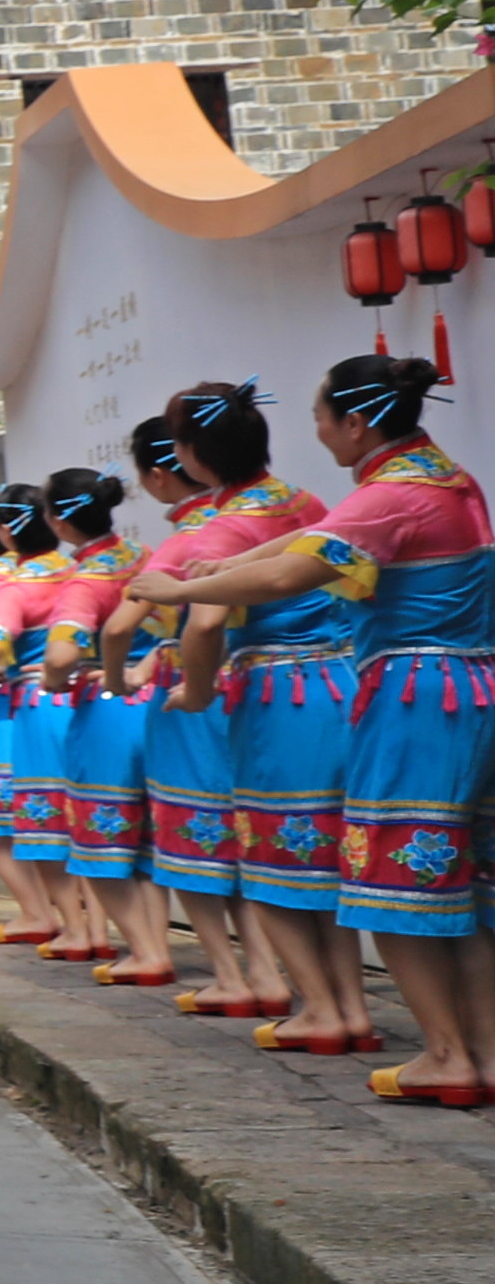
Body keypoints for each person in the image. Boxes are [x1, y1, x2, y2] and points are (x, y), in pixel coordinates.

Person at [149, 357, 495, 1092]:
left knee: (398, 877)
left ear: (356, 422)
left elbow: (280, 576)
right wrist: (202, 581)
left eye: (322, 417)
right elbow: (289, 549)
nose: (318, 431)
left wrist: (181, 588)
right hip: (467, 685)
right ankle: (481, 1053)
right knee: (463, 881)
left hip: (414, 697)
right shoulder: (446, 479)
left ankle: (446, 1054)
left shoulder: (392, 495)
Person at [131, 380, 367, 1053]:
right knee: (324, 854)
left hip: (276, 695)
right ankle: (350, 1007)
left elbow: (203, 623)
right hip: (338, 682)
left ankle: (321, 1008)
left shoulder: (222, 527)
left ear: (193, 457)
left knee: (272, 861)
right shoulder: (304, 502)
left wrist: (197, 692)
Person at [115, 415, 285, 1017]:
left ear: (172, 468)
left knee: (192, 837)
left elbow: (120, 627)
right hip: (261, 692)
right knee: (249, 838)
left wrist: (120, 677)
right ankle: (268, 971)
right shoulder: (296, 506)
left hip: (199, 695)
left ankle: (231, 976)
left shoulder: (196, 537)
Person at [24, 467, 155, 978]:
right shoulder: (144, 558)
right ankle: (155, 944)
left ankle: (146, 950)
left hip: (108, 706)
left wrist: (57, 679)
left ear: (57, 521)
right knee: (156, 836)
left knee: (104, 835)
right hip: (157, 698)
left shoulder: (85, 579)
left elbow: (60, 655)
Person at [0, 490, 75, 949]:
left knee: (0, 819)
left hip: (12, 707)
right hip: (77, 697)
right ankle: (82, 923)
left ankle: (38, 912)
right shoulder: (77, 572)